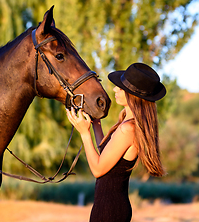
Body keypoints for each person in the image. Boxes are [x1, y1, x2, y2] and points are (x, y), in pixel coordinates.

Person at [66, 63, 167, 222]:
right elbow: (106, 156)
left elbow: (98, 169)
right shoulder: (128, 124)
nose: (115, 90)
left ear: (132, 95)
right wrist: (95, 125)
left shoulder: (128, 129)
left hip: (110, 210)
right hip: (109, 206)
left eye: (120, 88)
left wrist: (84, 134)